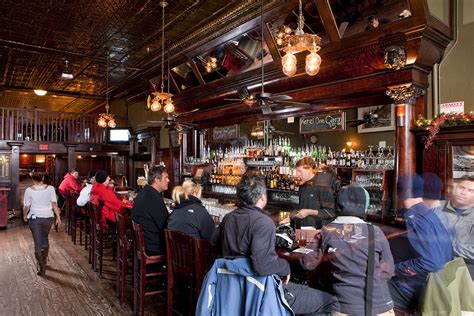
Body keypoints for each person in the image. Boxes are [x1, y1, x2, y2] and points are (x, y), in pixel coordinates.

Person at [212, 173, 333, 315]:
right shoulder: (263, 222)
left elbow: (214, 242)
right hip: (262, 292)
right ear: (263, 197)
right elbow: (262, 265)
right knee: (329, 302)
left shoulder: (228, 218)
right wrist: (286, 268)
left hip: (234, 291)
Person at [301, 184, 395, 315]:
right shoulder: (375, 231)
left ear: (337, 205)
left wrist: (309, 244)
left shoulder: (327, 232)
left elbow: (308, 263)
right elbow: (388, 272)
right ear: (365, 207)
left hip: (345, 306)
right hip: (380, 305)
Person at [389, 173, 453, 311]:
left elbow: (430, 262)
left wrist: (394, 269)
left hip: (423, 289)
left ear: (400, 192)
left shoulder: (414, 217)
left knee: (372, 289)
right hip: (439, 283)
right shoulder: (428, 213)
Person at [434, 176, 474, 279]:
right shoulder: (436, 208)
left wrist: (451, 248)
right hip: (433, 264)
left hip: (466, 269)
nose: (463, 193)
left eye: (470, 191)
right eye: (461, 187)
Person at [23, 172, 61, 276]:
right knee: (44, 237)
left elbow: (26, 206)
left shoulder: (29, 190)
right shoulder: (51, 188)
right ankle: (43, 262)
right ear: (43, 178)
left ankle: (42, 267)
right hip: (48, 217)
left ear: (32, 179)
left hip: (35, 218)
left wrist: (24, 215)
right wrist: (58, 217)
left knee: (37, 241)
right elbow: (54, 204)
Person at [131, 165, 170, 255]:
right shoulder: (153, 198)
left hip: (142, 243)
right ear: (156, 180)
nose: (168, 180)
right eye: (166, 178)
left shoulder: (144, 192)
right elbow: (165, 225)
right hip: (152, 246)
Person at [292, 157, 336, 228]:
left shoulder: (323, 186)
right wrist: (292, 216)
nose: (297, 174)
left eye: (300, 171)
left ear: (309, 169)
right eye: (296, 171)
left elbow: (330, 213)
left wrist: (309, 212)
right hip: (302, 229)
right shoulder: (302, 186)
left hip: (318, 232)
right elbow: (302, 208)